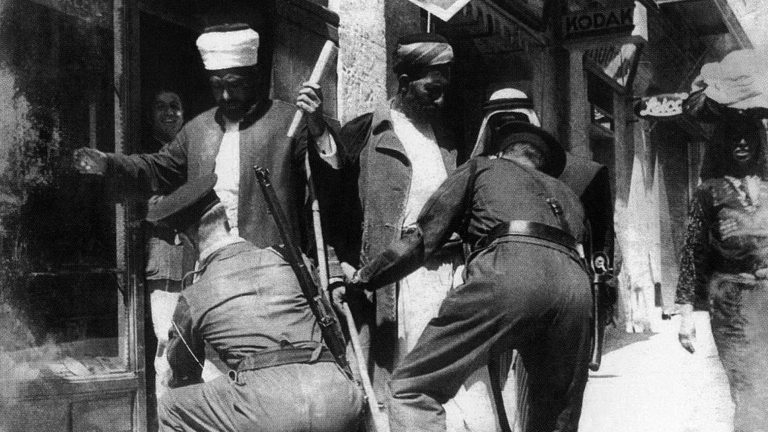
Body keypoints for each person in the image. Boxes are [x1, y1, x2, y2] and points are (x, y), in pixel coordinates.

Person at [346, 121, 592, 432]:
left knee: (412, 387)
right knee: (557, 413)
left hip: (511, 273)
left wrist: (365, 278)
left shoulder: (481, 168)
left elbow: (422, 239)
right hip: (576, 289)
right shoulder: (567, 192)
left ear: (502, 153)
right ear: (542, 164)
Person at [72, 23, 340, 250]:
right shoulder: (197, 129)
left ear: (255, 78)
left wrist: (317, 127)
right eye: (217, 86)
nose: (225, 96)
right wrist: (108, 162)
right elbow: (156, 167)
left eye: (234, 86)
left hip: (271, 263)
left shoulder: (289, 121)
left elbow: (331, 186)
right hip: (210, 263)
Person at [148, 173, 363, 432]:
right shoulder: (290, 259)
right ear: (225, 219)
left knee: (171, 406)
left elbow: (183, 375)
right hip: (339, 398)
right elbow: (330, 325)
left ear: (186, 239)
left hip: (269, 411)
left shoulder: (194, 295)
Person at [329, 33, 461, 406]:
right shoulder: (364, 132)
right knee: (397, 384)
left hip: (444, 280)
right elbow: (334, 203)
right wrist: (339, 267)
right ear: (404, 83)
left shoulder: (448, 138)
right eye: (432, 88)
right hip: (392, 283)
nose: (441, 98)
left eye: (445, 87)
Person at [675, 116, 768, 431]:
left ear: (759, 142)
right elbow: (692, 251)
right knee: (747, 385)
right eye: (733, 137)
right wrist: (686, 314)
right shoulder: (709, 192)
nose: (741, 143)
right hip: (731, 302)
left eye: (748, 137)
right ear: (722, 144)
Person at [141, 90, 187, 406]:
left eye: (176, 106)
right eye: (161, 107)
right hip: (166, 261)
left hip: (194, 261)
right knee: (167, 345)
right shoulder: (144, 157)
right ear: (150, 115)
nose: (169, 113)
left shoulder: (192, 151)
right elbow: (150, 207)